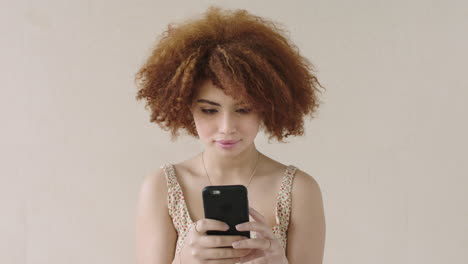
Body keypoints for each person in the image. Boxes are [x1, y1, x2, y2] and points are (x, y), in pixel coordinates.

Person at [134, 6, 326, 264]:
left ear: (267, 107)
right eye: (209, 110)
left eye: (243, 109)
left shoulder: (299, 190)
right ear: (184, 105)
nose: (226, 127)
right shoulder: (161, 187)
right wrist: (184, 261)